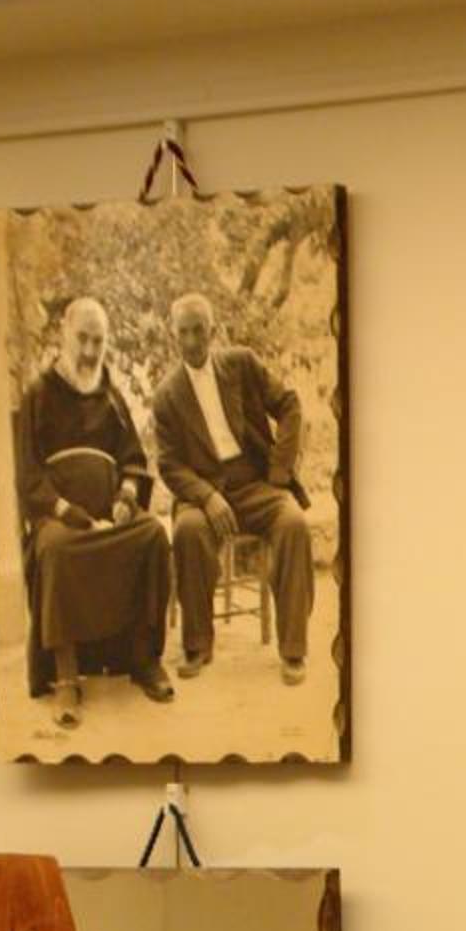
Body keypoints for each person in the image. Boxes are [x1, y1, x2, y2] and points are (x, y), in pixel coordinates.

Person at [13, 297, 175, 728]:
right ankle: (66, 677)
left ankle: (143, 658)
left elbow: (133, 458)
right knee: (57, 550)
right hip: (59, 518)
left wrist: (126, 496)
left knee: (152, 535)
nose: (89, 351)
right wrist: (65, 510)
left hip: (108, 516)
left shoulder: (111, 395)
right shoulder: (39, 394)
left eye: (98, 341)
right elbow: (28, 475)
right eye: (82, 338)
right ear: (64, 335)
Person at [148, 292, 314, 685]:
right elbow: (169, 464)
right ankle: (197, 645)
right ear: (174, 335)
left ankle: (293, 650)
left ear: (213, 331)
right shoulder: (167, 396)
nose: (192, 342)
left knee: (293, 525)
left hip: (254, 482)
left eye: (199, 331)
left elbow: (290, 405)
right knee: (188, 531)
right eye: (184, 333)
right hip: (201, 491)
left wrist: (279, 470)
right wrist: (207, 496)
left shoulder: (241, 364)